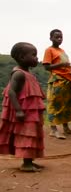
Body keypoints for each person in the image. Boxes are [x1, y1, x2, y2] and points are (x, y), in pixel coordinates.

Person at [0, 43, 45, 172]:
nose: (36, 58)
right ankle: (26, 164)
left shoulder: (27, 73)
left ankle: (29, 160)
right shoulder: (19, 74)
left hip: (30, 112)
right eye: (33, 55)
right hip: (24, 111)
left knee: (31, 134)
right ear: (22, 57)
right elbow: (11, 92)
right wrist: (18, 111)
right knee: (26, 135)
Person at [43, 29, 71, 139]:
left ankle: (66, 128)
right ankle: (53, 130)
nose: (59, 39)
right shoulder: (49, 50)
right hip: (57, 80)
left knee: (66, 105)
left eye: (61, 37)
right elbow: (46, 66)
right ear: (51, 38)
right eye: (56, 37)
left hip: (67, 80)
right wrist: (62, 64)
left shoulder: (62, 50)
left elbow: (64, 66)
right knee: (54, 104)